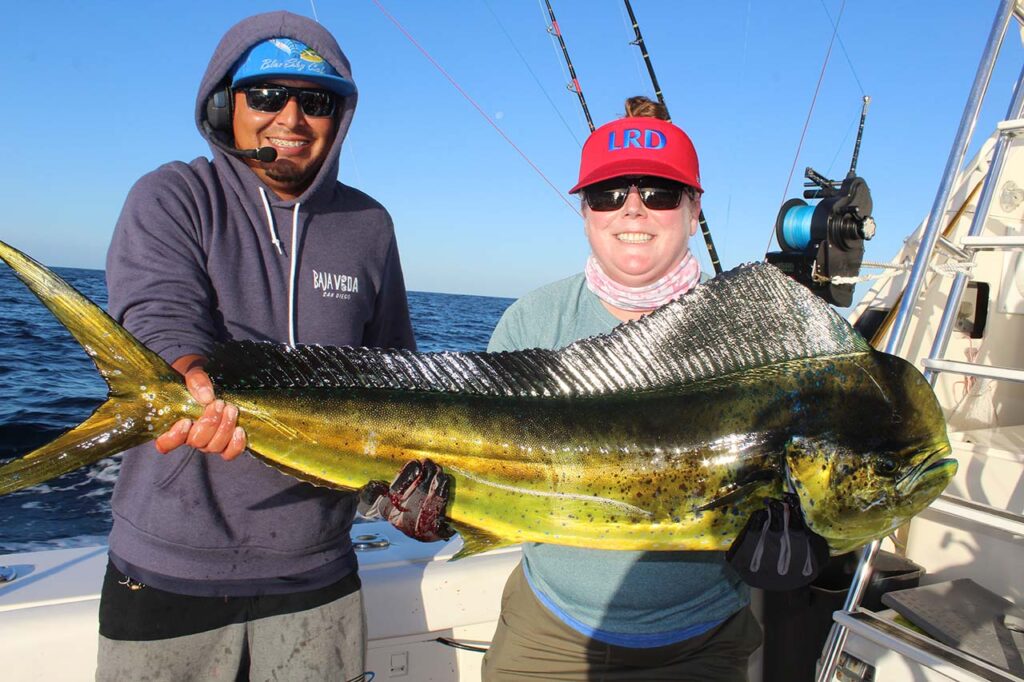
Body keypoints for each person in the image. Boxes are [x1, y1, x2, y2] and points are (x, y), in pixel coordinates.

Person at [99, 12, 421, 680]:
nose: (292, 118)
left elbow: (399, 375)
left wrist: (403, 488)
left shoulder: (369, 225)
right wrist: (189, 383)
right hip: (168, 569)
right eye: (268, 95)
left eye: (317, 100)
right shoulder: (173, 195)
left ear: (340, 116)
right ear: (225, 103)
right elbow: (159, 317)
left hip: (318, 570)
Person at [479, 97, 763, 681]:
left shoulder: (748, 334)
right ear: (584, 209)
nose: (632, 210)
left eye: (658, 192)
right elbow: (481, 464)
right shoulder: (532, 324)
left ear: (693, 208)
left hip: (701, 643)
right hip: (546, 634)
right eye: (609, 193)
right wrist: (433, 508)